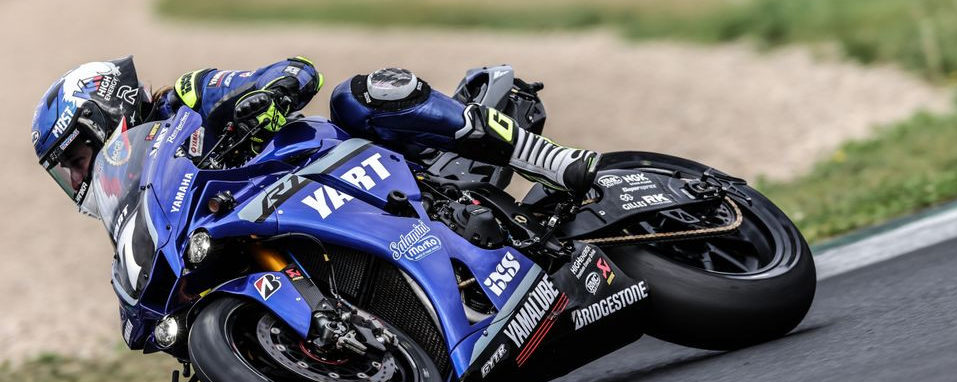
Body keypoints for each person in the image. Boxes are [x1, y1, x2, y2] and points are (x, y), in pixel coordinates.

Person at [31, 56, 600, 217]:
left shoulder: (185, 98)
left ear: (110, 113)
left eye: (76, 158)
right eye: (69, 173)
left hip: (366, 166)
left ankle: (546, 159)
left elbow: (297, 71)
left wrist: (266, 95)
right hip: (306, 216)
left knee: (358, 95)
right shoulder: (145, 204)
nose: (78, 178)